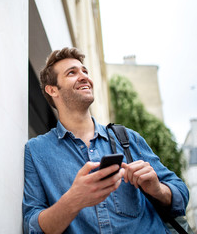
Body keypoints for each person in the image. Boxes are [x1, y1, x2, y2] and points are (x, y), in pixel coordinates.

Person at [22, 47, 189, 233]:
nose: (84, 77)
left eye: (85, 71)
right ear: (52, 90)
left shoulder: (127, 138)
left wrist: (157, 188)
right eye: (72, 73)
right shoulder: (36, 151)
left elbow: (181, 193)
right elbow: (32, 226)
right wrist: (73, 200)